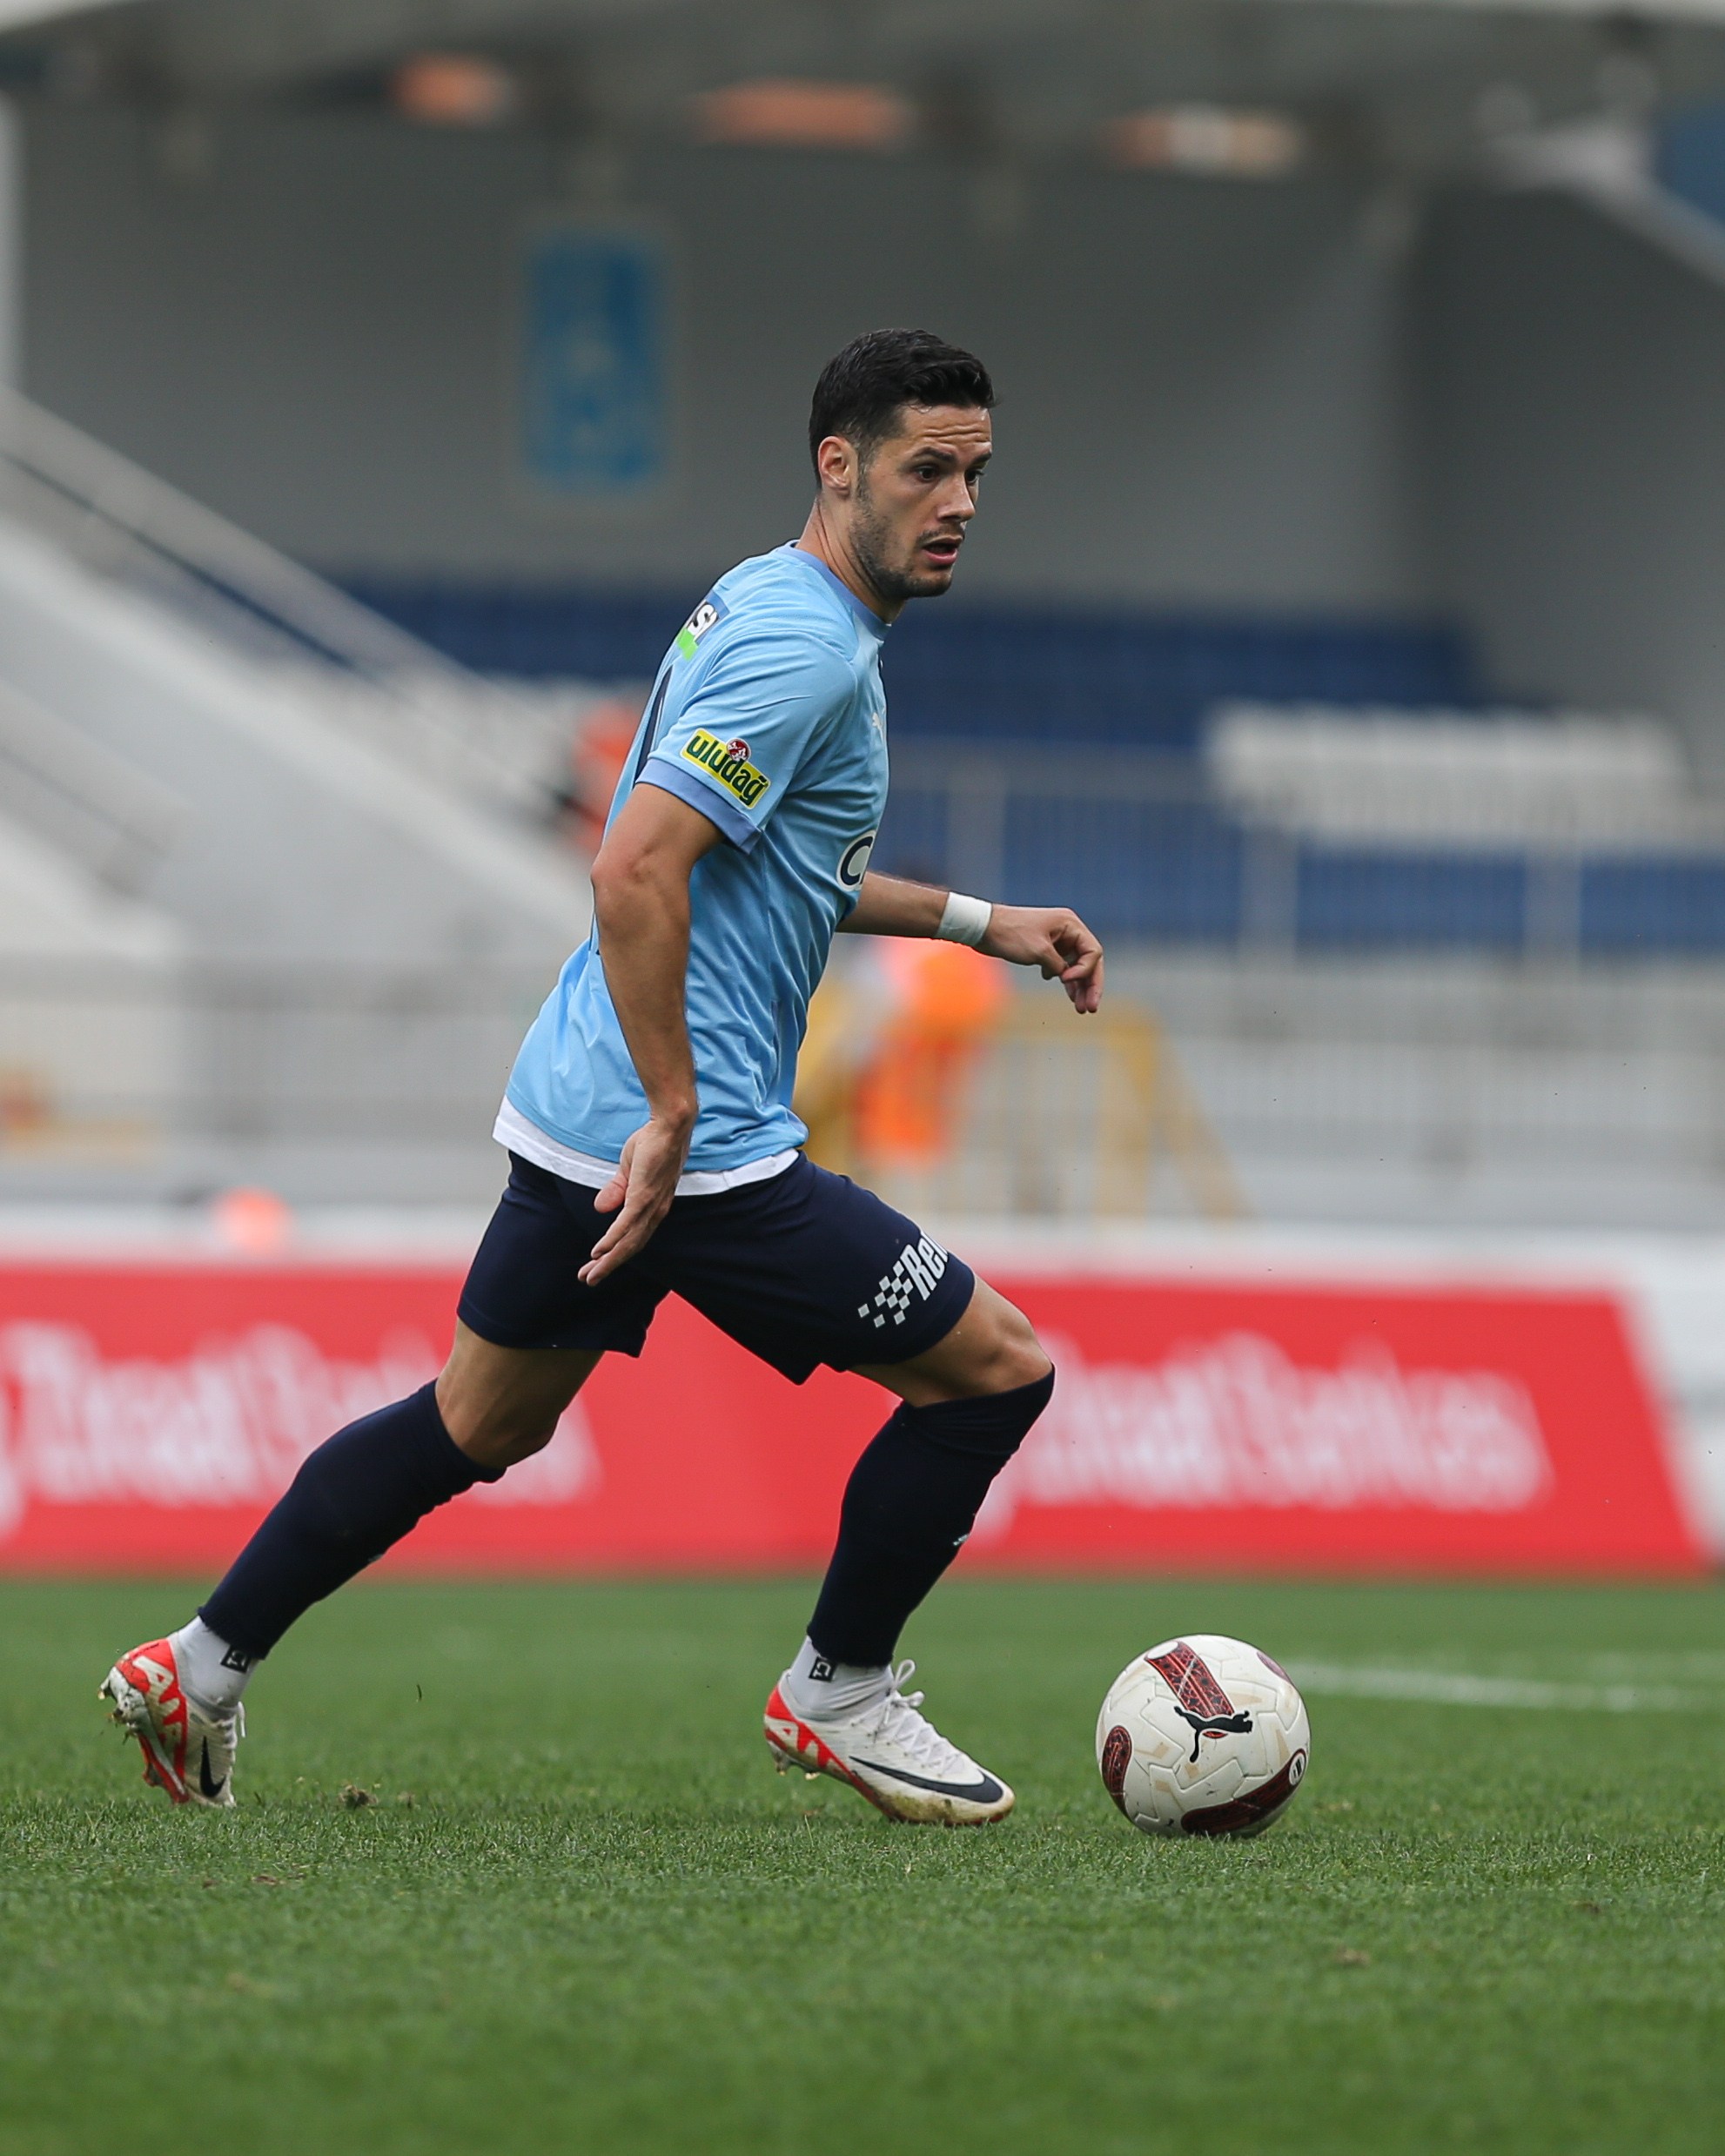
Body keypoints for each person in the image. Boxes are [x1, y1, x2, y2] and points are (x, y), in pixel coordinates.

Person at [102, 327, 1104, 1826]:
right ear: (838, 466)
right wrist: (678, 1105)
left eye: (974, 473)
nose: (957, 501)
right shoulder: (805, 649)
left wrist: (979, 921)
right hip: (691, 1151)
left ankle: (196, 1664)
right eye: (925, 469)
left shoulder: (773, 600)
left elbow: (785, 862)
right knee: (996, 1368)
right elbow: (634, 867)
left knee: (475, 1422)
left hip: (576, 1114)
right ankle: (839, 1687)